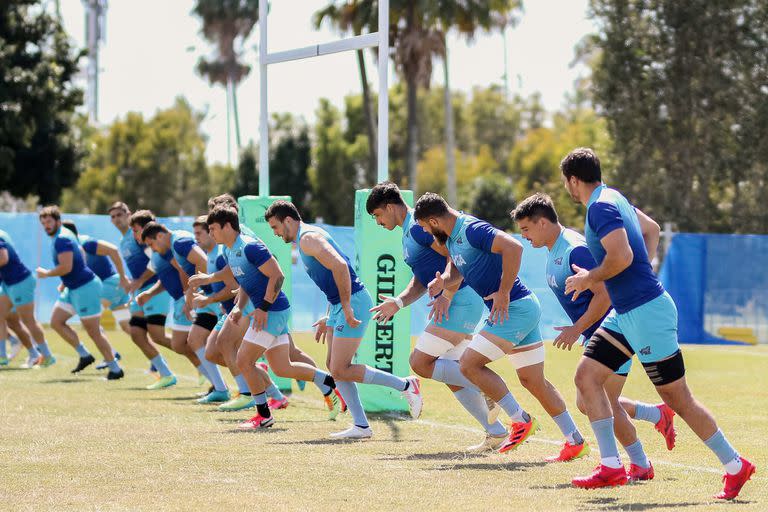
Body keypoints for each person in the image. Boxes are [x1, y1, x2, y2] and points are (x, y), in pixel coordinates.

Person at [560, 147, 754, 498]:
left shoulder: (600, 207)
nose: (568, 190)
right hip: (627, 311)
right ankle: (611, 466)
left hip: (647, 312)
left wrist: (591, 277)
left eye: (567, 184)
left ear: (574, 181)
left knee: (678, 399)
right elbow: (651, 229)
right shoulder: (614, 197)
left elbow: (621, 256)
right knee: (587, 377)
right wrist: (639, 273)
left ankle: (736, 466)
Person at [414, 193, 587, 458]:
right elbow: (459, 268)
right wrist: (445, 280)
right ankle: (575, 441)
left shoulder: (471, 229)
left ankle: (520, 420)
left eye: (425, 226)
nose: (426, 232)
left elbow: (513, 247)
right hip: (520, 308)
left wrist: (504, 291)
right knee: (533, 381)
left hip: (514, 308)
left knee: (469, 364)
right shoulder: (453, 237)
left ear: (434, 220)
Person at [513, 193, 675, 473]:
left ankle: (639, 463)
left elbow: (606, 293)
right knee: (588, 402)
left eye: (526, 229)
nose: (524, 236)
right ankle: (656, 415)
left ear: (542, 223)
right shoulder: (554, 250)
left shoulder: (574, 249)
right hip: (597, 333)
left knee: (603, 402)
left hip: (614, 330)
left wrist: (577, 329)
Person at [366, 182, 508, 452]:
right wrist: (398, 302)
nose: (378, 221)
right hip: (455, 302)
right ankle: (495, 432)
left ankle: (489, 388)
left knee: (420, 362)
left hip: (461, 300)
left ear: (389, 206)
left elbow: (455, 255)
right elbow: (420, 281)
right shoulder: (409, 232)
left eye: (377, 215)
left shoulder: (418, 228)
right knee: (451, 377)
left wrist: (447, 295)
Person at [265, 200, 422, 439]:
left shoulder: (308, 238)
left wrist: (346, 307)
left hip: (354, 302)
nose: (276, 233)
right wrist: (331, 313)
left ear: (288, 220)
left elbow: (340, 267)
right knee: (335, 368)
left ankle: (406, 385)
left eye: (276, 227)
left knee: (340, 367)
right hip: (342, 304)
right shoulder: (307, 238)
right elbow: (334, 276)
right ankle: (361, 425)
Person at [199, 206, 342, 429]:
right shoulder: (230, 250)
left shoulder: (250, 246)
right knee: (282, 367)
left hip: (272, 311)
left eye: (213, 228)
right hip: (270, 310)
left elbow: (277, 274)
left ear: (228, 226)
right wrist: (239, 306)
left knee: (244, 360)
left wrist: (263, 308)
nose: (211, 233)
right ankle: (327, 382)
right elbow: (244, 281)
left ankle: (263, 416)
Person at [141, 220, 230, 400]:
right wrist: (191, 293)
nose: (153, 249)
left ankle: (256, 381)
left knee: (229, 346)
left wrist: (195, 293)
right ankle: (220, 388)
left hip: (215, 295)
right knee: (194, 340)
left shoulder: (179, 241)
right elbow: (190, 268)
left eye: (151, 244)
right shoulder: (172, 245)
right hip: (205, 296)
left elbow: (202, 262)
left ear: (159, 235)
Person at [37, 206, 123, 379]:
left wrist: (47, 273)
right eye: (43, 222)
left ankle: (115, 368)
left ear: (58, 221)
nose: (46, 225)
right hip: (73, 287)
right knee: (56, 321)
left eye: (49, 221)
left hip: (86, 288)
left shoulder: (61, 238)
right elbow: (80, 257)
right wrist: (65, 282)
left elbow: (66, 266)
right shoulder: (63, 236)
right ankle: (84, 355)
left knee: (93, 331)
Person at [109, 203, 175, 383]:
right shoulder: (124, 241)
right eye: (113, 216)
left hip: (156, 289)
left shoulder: (139, 236)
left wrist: (139, 281)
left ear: (128, 214)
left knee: (158, 336)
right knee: (137, 334)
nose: (116, 219)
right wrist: (132, 282)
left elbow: (157, 260)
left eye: (120, 215)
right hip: (141, 292)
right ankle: (166, 374)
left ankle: (197, 356)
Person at [60, 220, 127, 370]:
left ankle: (112, 356)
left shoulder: (86, 243)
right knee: (129, 327)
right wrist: (64, 284)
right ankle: (156, 362)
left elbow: (114, 250)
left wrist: (122, 277)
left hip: (110, 284)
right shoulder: (70, 247)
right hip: (106, 286)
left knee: (91, 322)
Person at [0, 228, 56, 368]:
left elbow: (3, 258)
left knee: (28, 320)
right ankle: (3, 356)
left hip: (20, 282)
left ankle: (47, 356)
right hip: (8, 283)